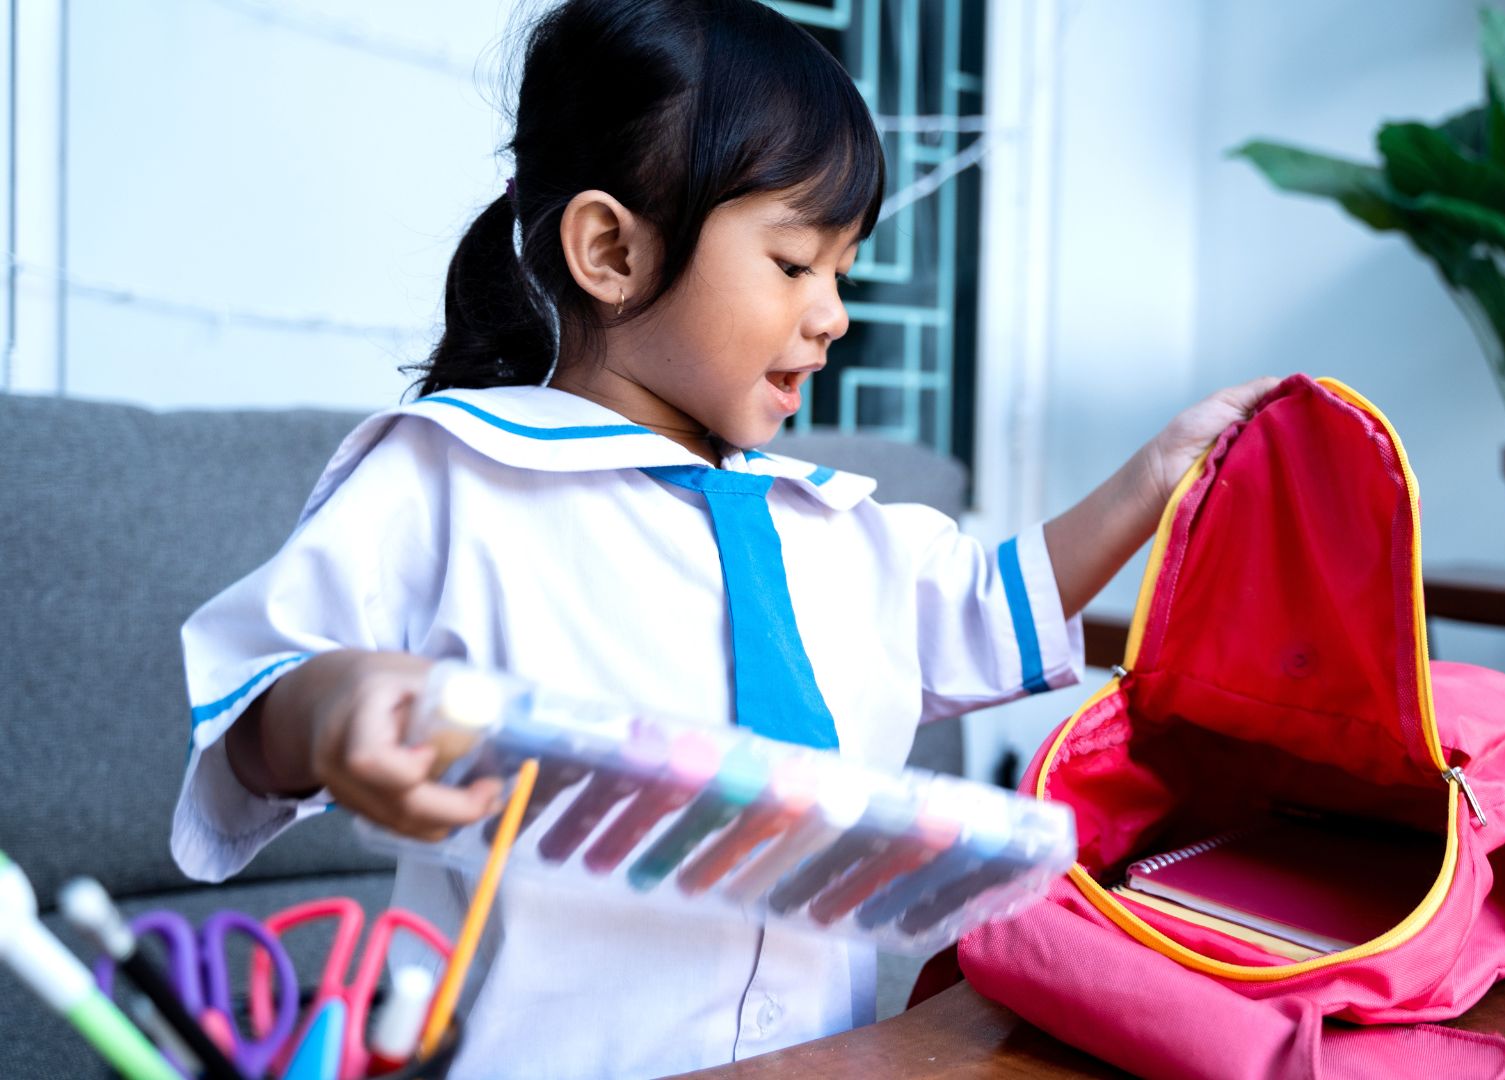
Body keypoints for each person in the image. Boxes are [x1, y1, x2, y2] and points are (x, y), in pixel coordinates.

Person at [171, 1, 1278, 1075]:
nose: (834, 311)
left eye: (844, 270)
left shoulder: (835, 526)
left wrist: (1156, 477)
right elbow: (262, 700)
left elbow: (991, 606)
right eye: (797, 263)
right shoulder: (448, 476)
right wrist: (336, 712)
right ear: (611, 250)